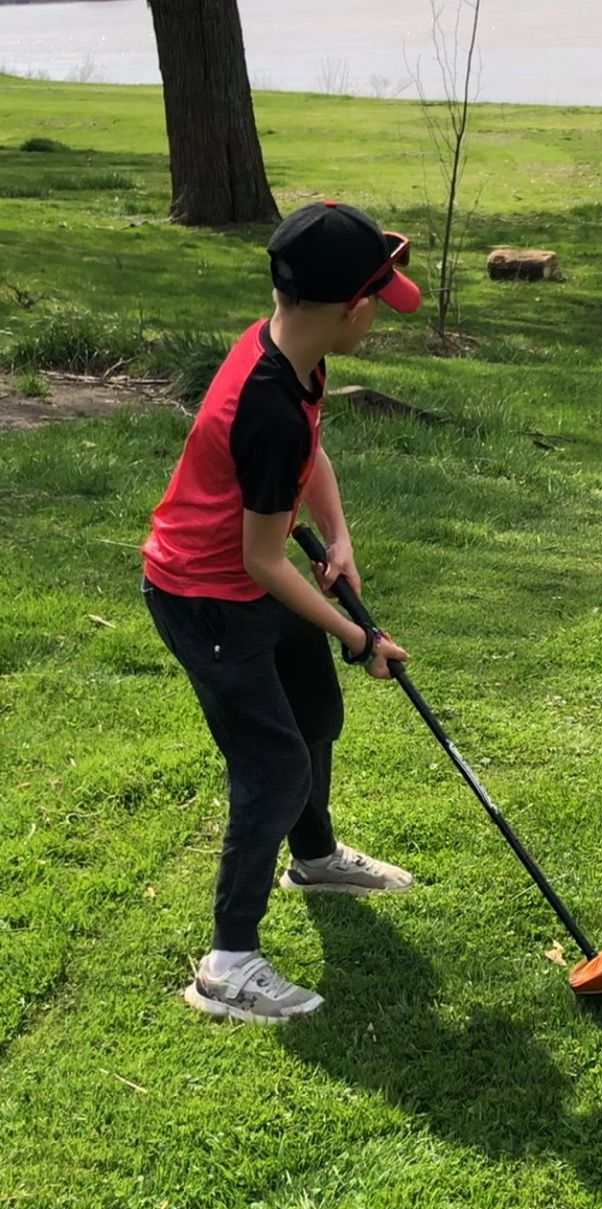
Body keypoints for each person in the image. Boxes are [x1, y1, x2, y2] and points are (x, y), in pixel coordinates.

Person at [141, 201, 420, 1024]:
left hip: (246, 581)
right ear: (349, 309)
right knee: (273, 764)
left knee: (315, 713)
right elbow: (264, 560)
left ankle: (316, 856)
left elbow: (311, 448)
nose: (380, 310)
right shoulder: (262, 403)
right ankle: (227, 964)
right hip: (208, 597)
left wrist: (340, 537)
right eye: (379, 297)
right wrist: (359, 632)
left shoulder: (290, 349)